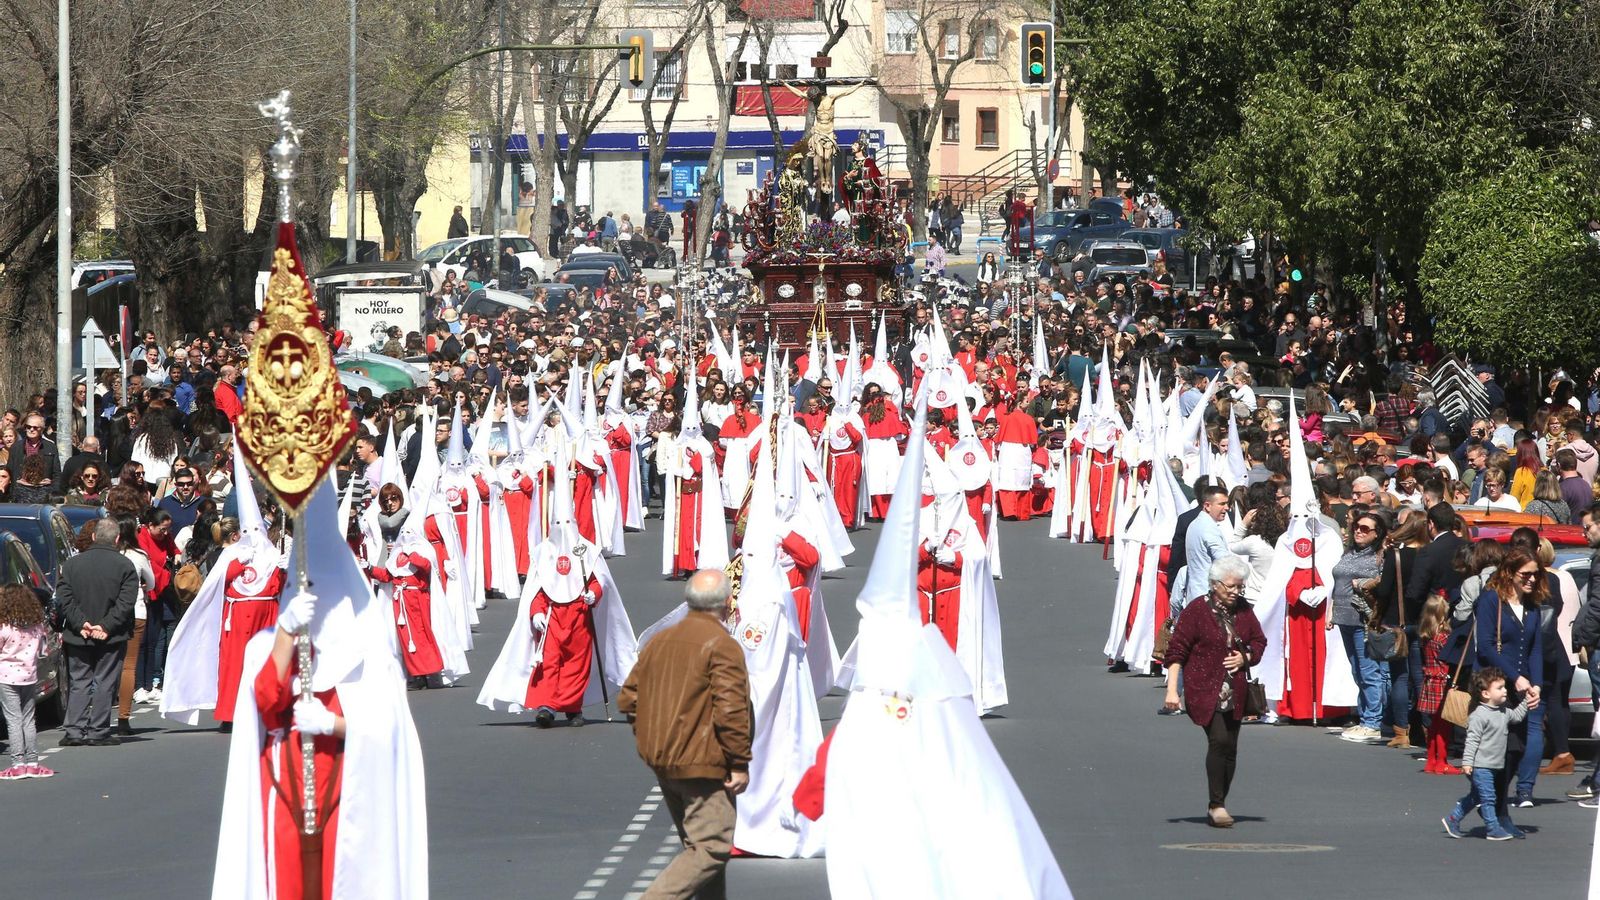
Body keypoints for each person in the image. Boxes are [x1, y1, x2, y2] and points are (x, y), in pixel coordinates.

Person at [617, 569, 752, 900]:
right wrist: (738, 761)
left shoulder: (660, 640)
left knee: (697, 847)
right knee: (710, 848)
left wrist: (654, 739)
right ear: (728, 602)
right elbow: (731, 709)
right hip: (705, 765)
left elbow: (629, 698)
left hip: (666, 762)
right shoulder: (722, 644)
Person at [1162, 556, 1267, 828]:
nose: (1235, 592)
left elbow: (1258, 640)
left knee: (1231, 748)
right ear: (1215, 584)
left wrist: (1246, 658)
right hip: (1204, 687)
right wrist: (1172, 691)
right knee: (1219, 740)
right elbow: (1177, 651)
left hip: (1236, 688)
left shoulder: (1244, 609)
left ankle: (1221, 800)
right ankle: (1216, 804)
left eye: (1239, 587)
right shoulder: (1197, 610)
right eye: (1230, 586)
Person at [56, 518, 140, 747]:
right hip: (111, 635)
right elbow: (126, 602)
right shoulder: (125, 565)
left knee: (79, 681)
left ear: (93, 537)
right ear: (117, 539)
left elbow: (64, 597)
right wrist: (105, 626)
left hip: (78, 633)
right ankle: (98, 730)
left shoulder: (72, 565)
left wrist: (81, 623)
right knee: (105, 681)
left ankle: (74, 730)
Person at [1475, 548, 1546, 809]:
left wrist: (1536, 683)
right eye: (1525, 574)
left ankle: (1491, 805)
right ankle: (1490, 809)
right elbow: (1484, 646)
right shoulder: (1491, 601)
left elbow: (1535, 648)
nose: (1531, 580)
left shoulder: (1532, 606)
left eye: (1535, 575)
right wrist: (1516, 677)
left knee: (1517, 750)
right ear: (1509, 573)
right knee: (1497, 753)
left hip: (1521, 688)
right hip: (1495, 688)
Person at [1442, 667, 1531, 840]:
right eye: (1500, 688)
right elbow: (1472, 741)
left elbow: (1517, 716)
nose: (1505, 690)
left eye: (1505, 687)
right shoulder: (1479, 715)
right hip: (1480, 765)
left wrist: (1527, 700)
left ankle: (1452, 818)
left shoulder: (1503, 711)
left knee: (1476, 796)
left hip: (1494, 765)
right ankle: (1492, 828)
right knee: (1489, 798)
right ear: (1485, 694)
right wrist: (1467, 762)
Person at [1329, 509, 1386, 742]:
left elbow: (1382, 582)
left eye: (1365, 529)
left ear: (1376, 534)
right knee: (1357, 670)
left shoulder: (1379, 556)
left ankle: (1373, 721)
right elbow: (1337, 583)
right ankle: (1365, 718)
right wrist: (1330, 612)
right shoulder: (1350, 551)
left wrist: (1362, 582)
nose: (1359, 531)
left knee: (1369, 670)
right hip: (1344, 618)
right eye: (1357, 527)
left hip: (1363, 619)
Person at [0, 583, 53, 778]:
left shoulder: (5, 627)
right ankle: (32, 762)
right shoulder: (37, 627)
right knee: (29, 719)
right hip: (29, 676)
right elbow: (42, 651)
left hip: (6, 676)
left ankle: (17, 764)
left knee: (13, 720)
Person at [1416, 593, 1460, 774]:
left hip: (1430, 680)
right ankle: (1442, 761)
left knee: (1434, 725)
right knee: (1444, 725)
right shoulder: (1443, 637)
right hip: (1442, 681)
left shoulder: (1426, 634)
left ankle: (1431, 760)